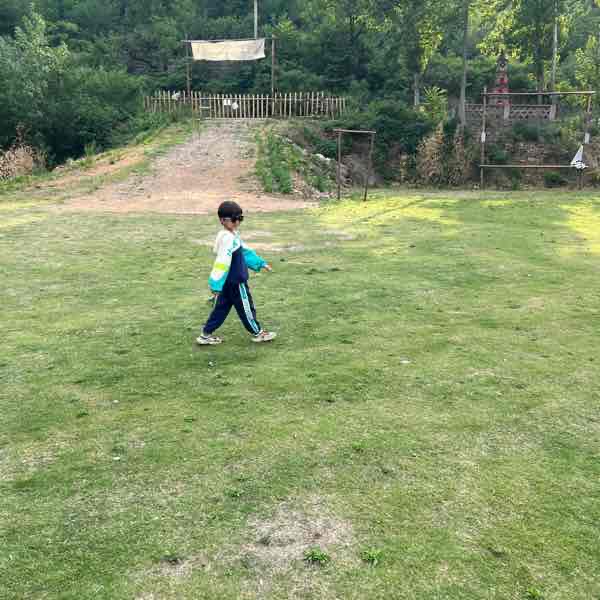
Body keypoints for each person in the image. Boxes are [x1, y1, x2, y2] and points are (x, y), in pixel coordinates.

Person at [197, 201, 277, 345]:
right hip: (236, 282)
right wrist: (215, 284)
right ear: (222, 220)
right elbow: (222, 262)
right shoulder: (228, 239)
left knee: (220, 309)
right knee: (246, 308)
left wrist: (260, 263)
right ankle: (258, 333)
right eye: (234, 219)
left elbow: (244, 252)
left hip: (227, 283)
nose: (237, 222)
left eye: (240, 218)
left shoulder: (231, 235)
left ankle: (205, 335)